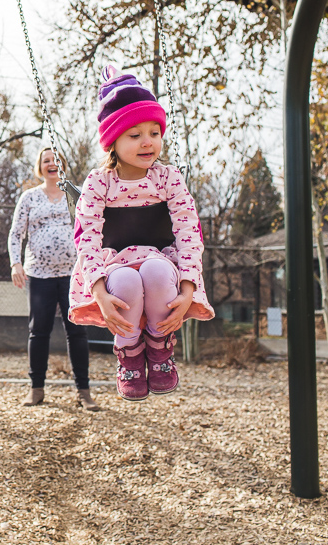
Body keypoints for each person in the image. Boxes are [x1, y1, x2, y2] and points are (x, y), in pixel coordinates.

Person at [69, 65, 214, 402]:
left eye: (154, 132)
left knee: (157, 270)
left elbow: (189, 231)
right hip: (113, 269)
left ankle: (160, 347)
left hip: (162, 264)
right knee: (129, 282)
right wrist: (99, 292)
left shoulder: (168, 178)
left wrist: (189, 287)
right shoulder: (98, 183)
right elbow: (87, 238)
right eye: (135, 135)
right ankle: (130, 353)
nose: (148, 142)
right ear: (113, 142)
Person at [8, 147, 97, 411]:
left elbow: (93, 227)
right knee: (38, 332)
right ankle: (36, 389)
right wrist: (16, 263)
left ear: (62, 165)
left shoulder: (76, 193)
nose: (50, 164)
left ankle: (84, 392)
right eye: (45, 160)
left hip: (74, 274)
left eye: (54, 160)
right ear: (40, 167)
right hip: (39, 274)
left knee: (77, 332)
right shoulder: (29, 197)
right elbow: (16, 234)